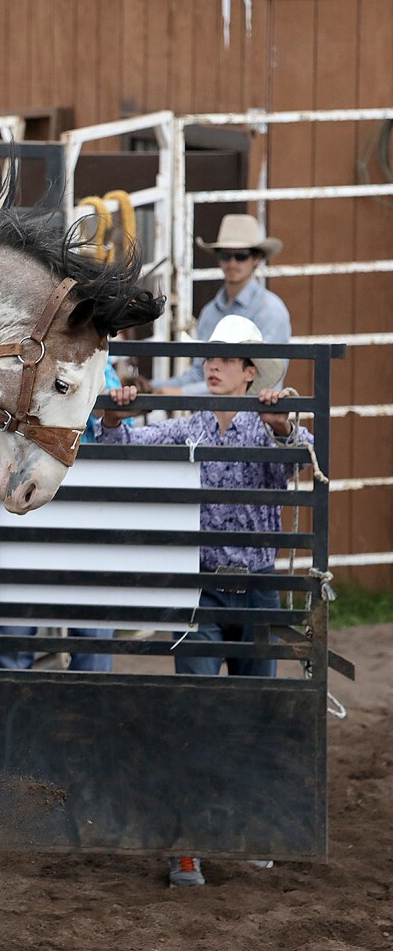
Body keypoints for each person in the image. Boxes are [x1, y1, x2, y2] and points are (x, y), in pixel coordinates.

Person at [98, 315, 311, 888]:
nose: (213, 365)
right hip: (202, 586)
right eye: (211, 357)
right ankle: (189, 843)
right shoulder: (189, 424)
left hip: (255, 586)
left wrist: (282, 426)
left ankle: (244, 827)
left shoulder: (270, 423)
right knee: (194, 708)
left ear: (250, 372)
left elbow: (302, 454)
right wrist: (114, 413)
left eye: (226, 359)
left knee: (250, 709)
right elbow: (123, 443)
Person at [0, 353, 126, 671]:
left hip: (81, 519)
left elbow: (122, 434)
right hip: (23, 518)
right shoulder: (8, 359)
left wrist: (107, 420)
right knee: (15, 635)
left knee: (90, 637)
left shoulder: (96, 365)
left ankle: (87, 701)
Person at [154, 214, 291, 396]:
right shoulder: (210, 312)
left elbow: (259, 378)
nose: (232, 263)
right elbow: (198, 373)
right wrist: (151, 388)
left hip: (254, 411)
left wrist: (180, 392)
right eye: (226, 255)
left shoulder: (271, 311)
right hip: (215, 411)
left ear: (257, 259)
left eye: (241, 256)